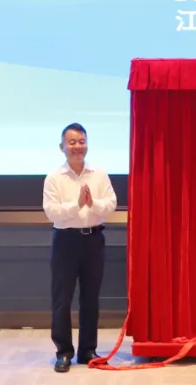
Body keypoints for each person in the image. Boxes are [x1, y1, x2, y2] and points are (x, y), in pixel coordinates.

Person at [42, 122, 118, 373]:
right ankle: (64, 352)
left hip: (93, 240)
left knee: (90, 298)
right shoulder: (54, 177)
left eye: (81, 141)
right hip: (65, 241)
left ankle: (88, 350)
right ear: (62, 146)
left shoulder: (99, 174)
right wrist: (77, 205)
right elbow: (52, 212)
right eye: (72, 142)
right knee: (62, 299)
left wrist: (92, 203)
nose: (77, 146)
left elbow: (111, 205)